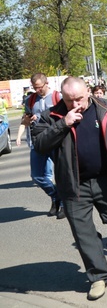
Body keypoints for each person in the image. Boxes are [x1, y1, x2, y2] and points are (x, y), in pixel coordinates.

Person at [33, 77, 107, 301]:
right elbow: (39, 144)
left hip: (106, 179)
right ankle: (98, 277)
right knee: (83, 233)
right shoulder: (52, 116)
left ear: (88, 91)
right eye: (70, 100)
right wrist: (64, 123)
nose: (76, 104)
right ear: (62, 97)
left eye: (79, 98)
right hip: (73, 185)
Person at [16, 73, 64, 219]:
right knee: (37, 176)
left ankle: (64, 204)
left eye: (39, 87)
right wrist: (28, 119)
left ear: (46, 83)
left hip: (56, 141)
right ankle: (56, 196)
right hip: (38, 142)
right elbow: (25, 120)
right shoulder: (30, 100)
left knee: (62, 174)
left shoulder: (58, 97)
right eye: (35, 88)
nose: (37, 90)